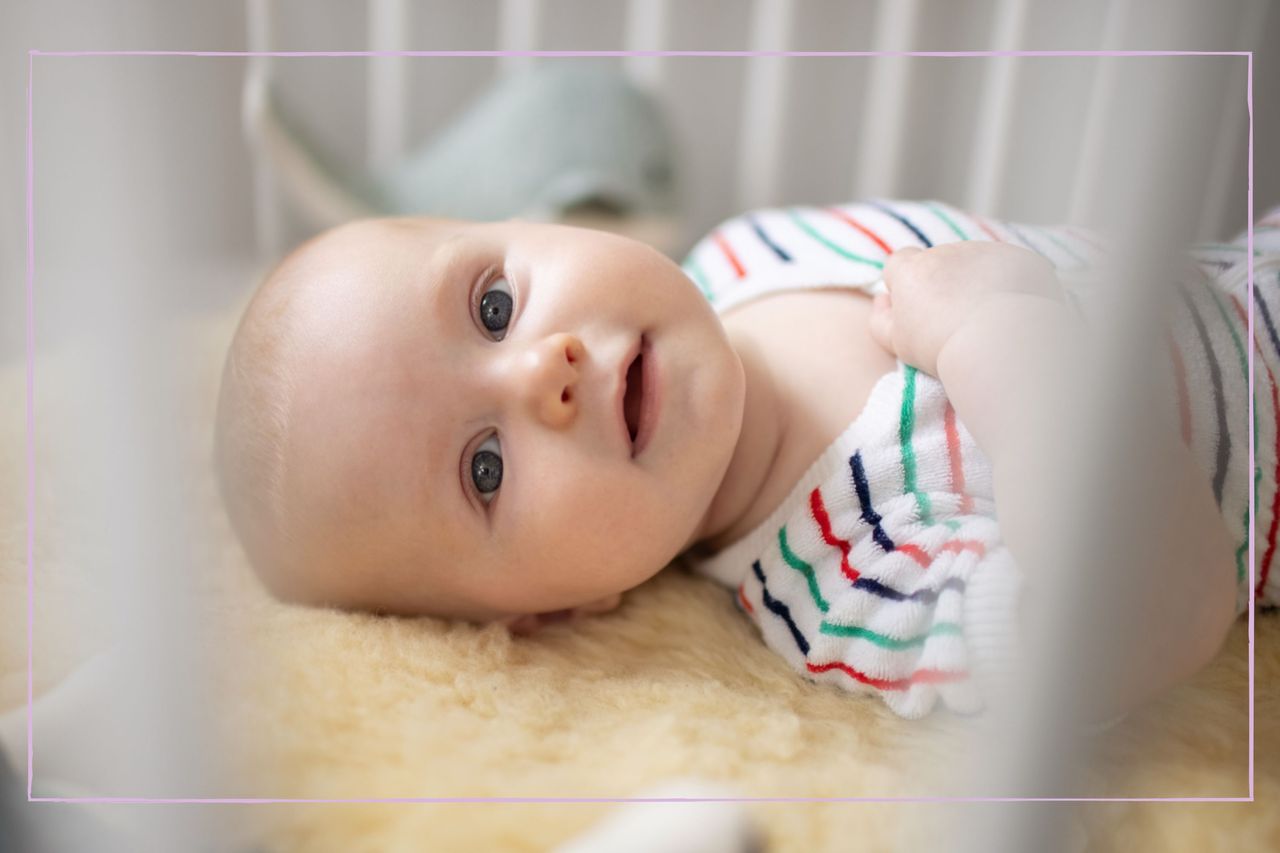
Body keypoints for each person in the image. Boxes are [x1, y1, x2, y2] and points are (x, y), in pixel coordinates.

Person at [213, 199, 1278, 721]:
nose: (549, 370)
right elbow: (1153, 609)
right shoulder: (847, 589)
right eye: (484, 468)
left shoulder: (743, 254)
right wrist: (1001, 331)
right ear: (549, 609)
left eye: (493, 304)